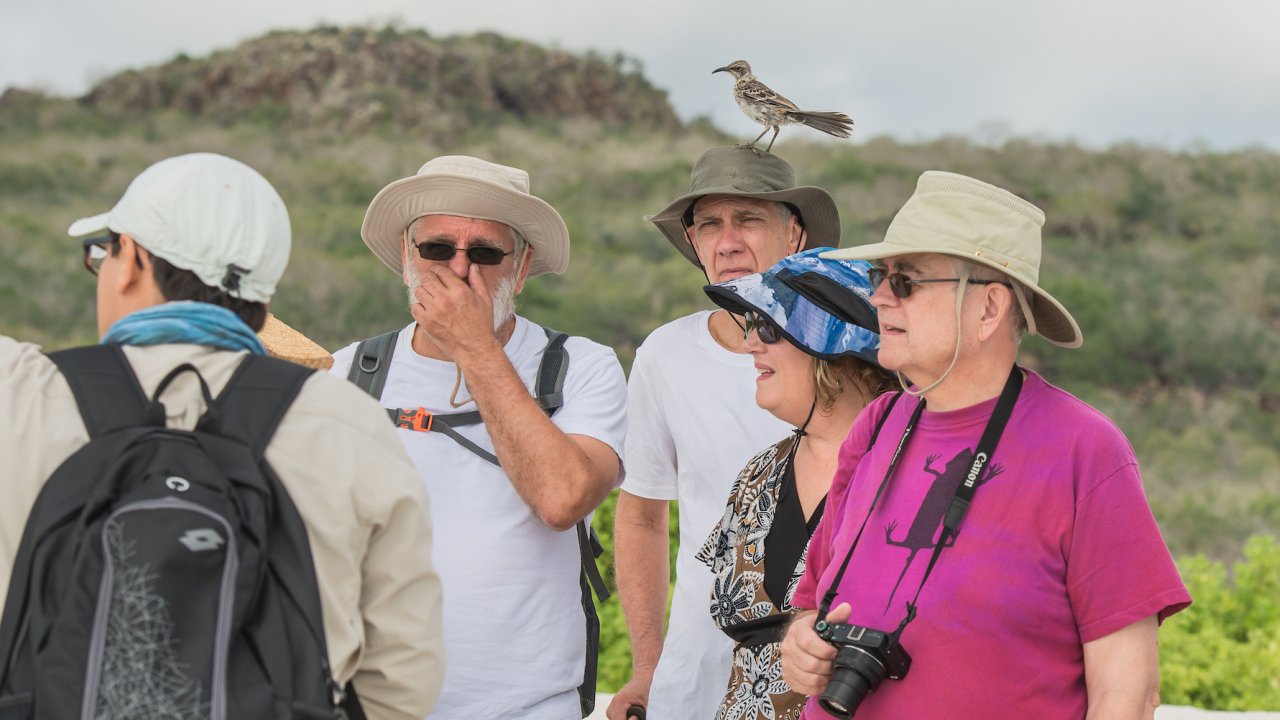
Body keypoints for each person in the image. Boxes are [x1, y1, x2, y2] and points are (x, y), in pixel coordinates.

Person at [0, 152, 444, 719]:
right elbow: (403, 674)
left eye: (102, 253)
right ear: (263, 296)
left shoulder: (19, 393)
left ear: (130, 259)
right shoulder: (348, 421)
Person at [780, 171, 1192, 719]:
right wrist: (801, 646)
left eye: (905, 281)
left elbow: (1128, 693)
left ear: (989, 309)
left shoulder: (1085, 451)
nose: (878, 296)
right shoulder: (877, 425)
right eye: (881, 275)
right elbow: (811, 606)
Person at [330, 155, 627, 719]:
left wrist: (473, 345)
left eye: (486, 253)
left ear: (520, 267)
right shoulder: (347, 372)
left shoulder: (580, 367)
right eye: (438, 249)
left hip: (529, 706)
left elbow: (563, 499)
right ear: (406, 257)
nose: (460, 269)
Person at [609, 146, 842, 720]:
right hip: (694, 673)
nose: (727, 241)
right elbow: (640, 513)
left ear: (795, 235)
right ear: (693, 243)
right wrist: (647, 666)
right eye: (709, 224)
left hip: (827, 667)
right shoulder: (665, 354)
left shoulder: (850, 351)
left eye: (749, 219)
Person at [696, 249, 896, 720]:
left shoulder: (911, 470)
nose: (750, 345)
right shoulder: (757, 475)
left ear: (834, 350)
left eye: (768, 328)